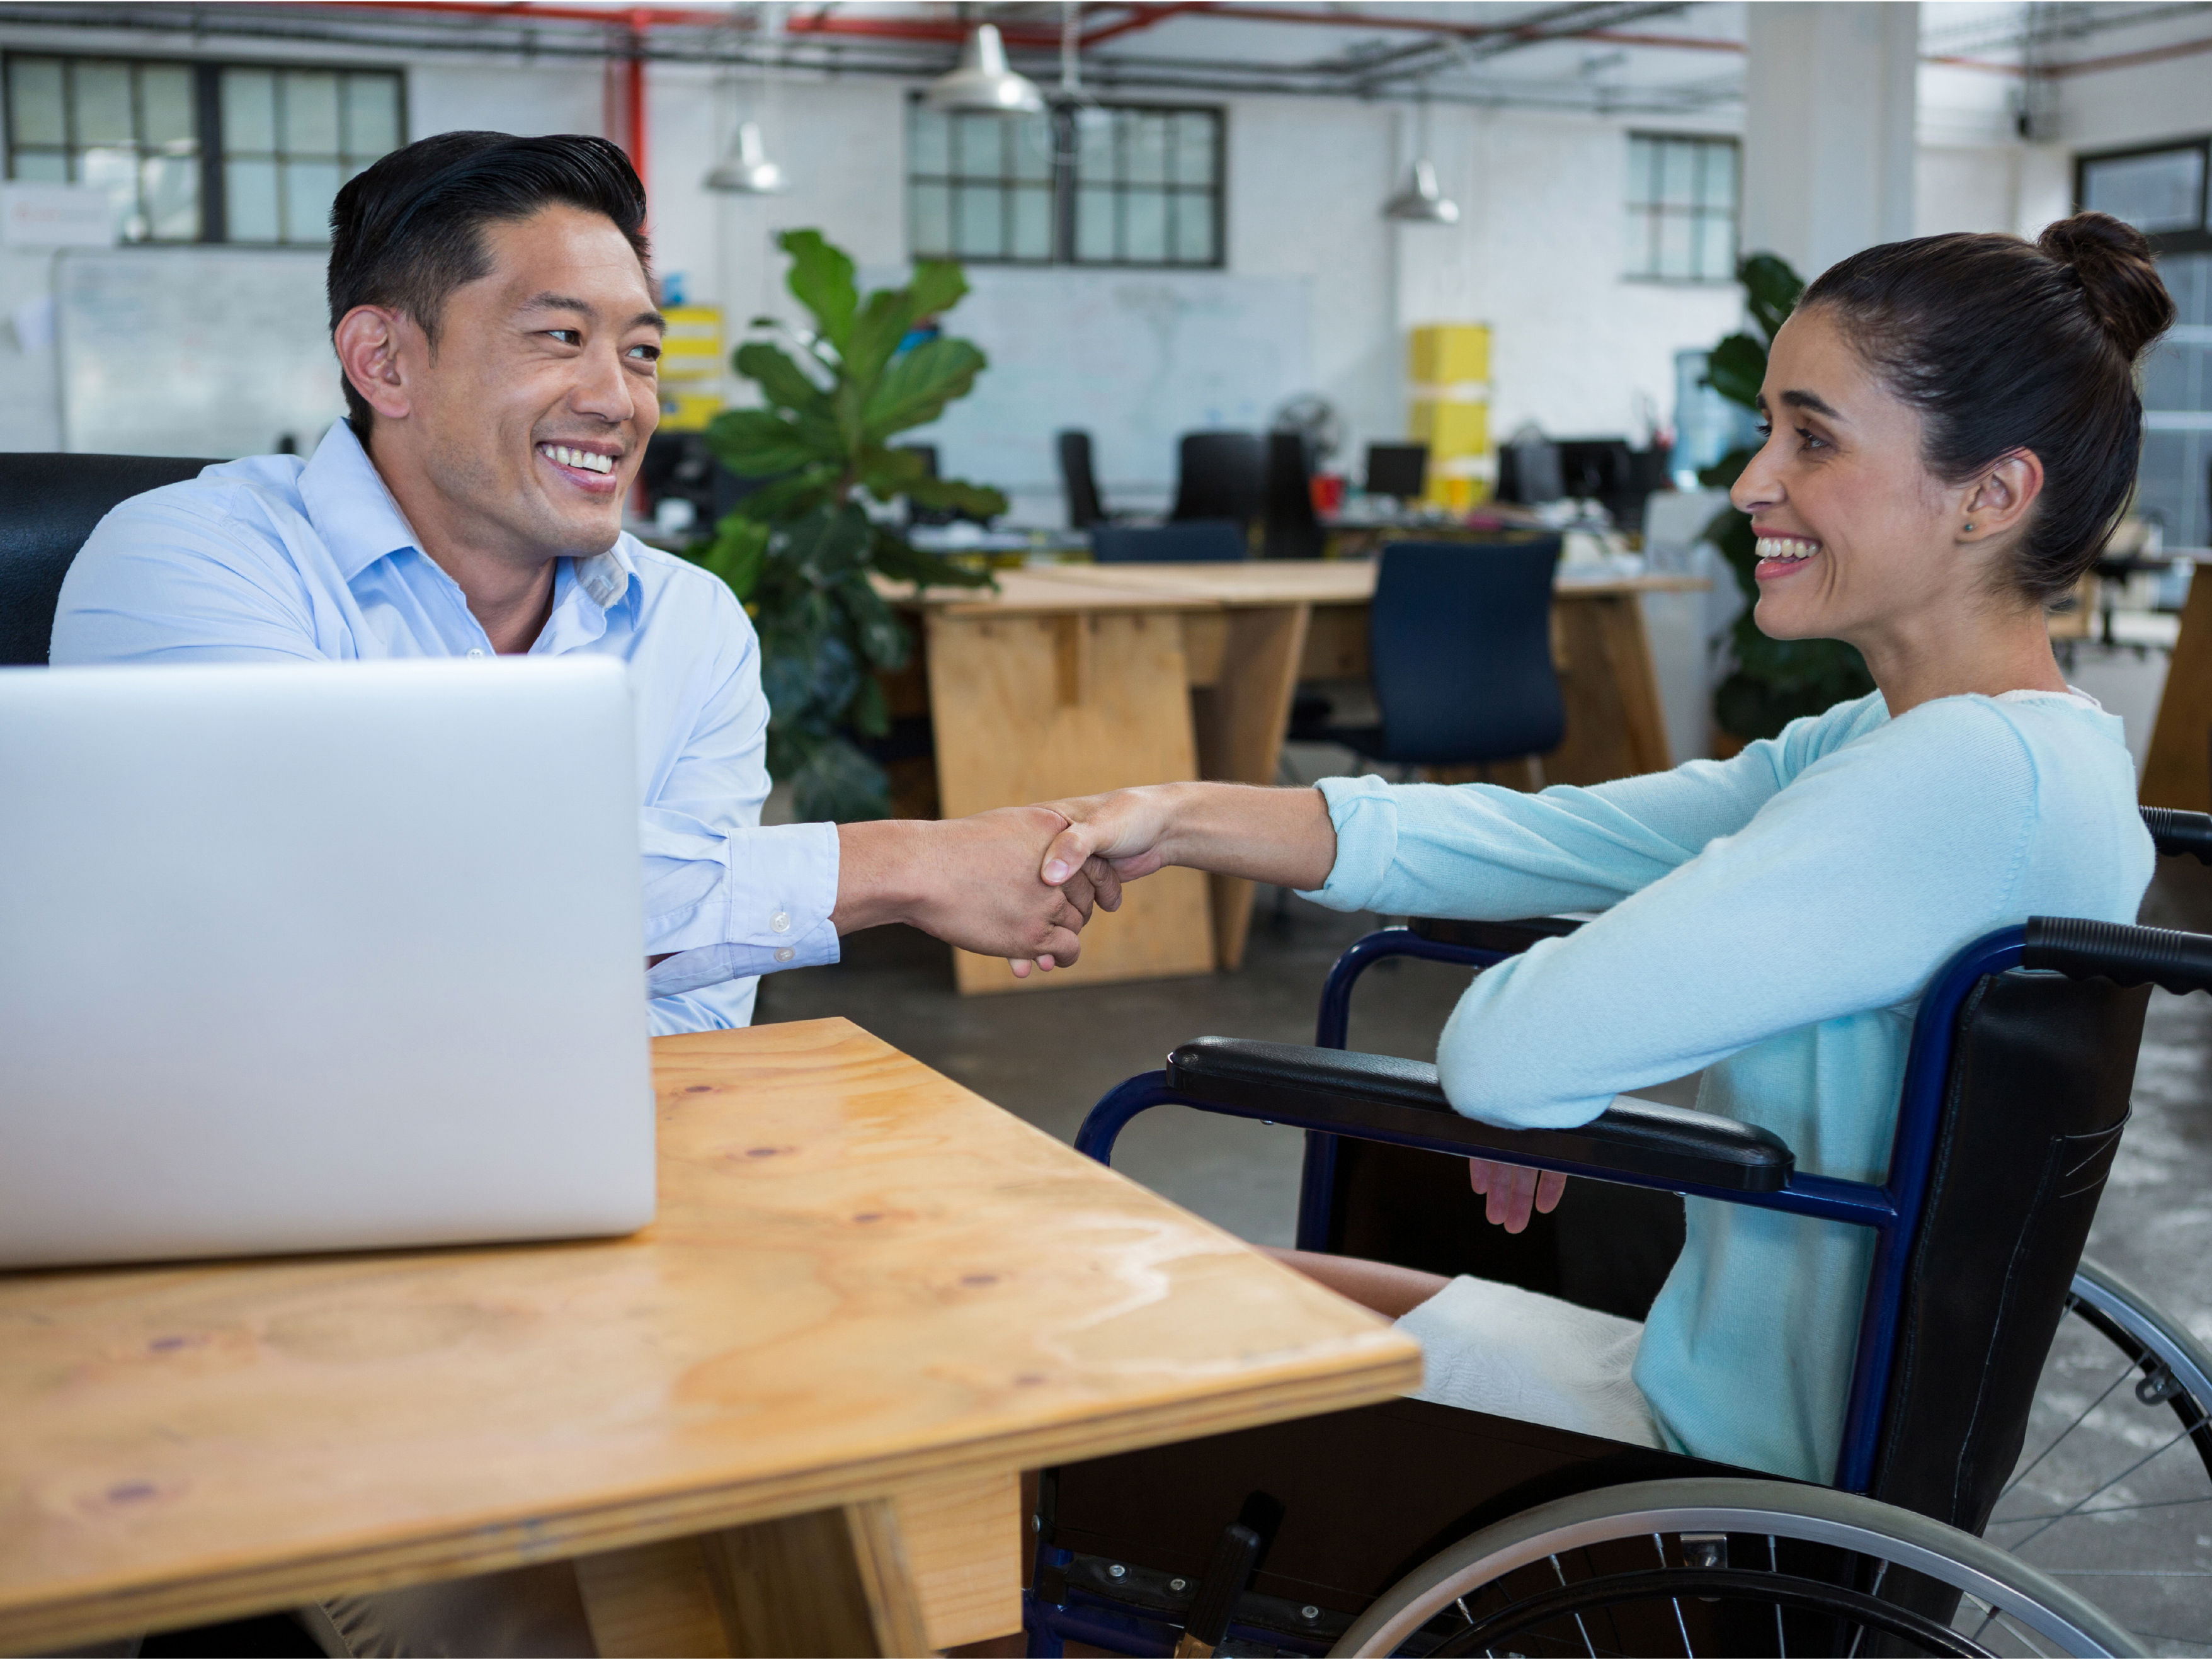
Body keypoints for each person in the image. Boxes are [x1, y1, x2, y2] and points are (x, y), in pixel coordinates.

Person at [1030, 212, 2173, 1484]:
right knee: (1188, 1295)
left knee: (1096, 1344)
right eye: (1765, 433)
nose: (1752, 483)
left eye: (1812, 437)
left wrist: (1557, 1085)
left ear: (1992, 495)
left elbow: (1516, 1056)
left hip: (1712, 1473)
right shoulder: (1979, 752)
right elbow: (1551, 840)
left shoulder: (1958, 780)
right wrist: (1179, 816)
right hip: (1703, 1394)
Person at [49, 130, 1104, 1034]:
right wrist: (902, 865)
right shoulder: (190, 559)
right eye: (560, 337)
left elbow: (691, 1014)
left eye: (642, 353)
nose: (619, 400)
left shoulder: (694, 627)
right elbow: (321, 896)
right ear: (384, 361)